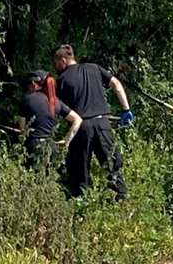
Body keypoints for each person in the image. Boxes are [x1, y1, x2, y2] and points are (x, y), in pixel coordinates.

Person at [52, 44, 133, 199]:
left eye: (56, 63)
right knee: (111, 165)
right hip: (103, 124)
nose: (56, 67)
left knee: (79, 171)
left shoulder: (61, 80)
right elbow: (116, 84)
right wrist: (126, 110)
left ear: (63, 60)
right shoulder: (94, 68)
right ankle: (121, 199)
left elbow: (58, 109)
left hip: (81, 128)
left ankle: (81, 203)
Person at [18, 70, 82, 170]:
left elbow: (22, 130)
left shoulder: (27, 99)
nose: (27, 89)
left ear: (33, 84)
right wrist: (67, 141)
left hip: (33, 147)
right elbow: (77, 119)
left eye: (28, 85)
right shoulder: (56, 102)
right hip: (51, 148)